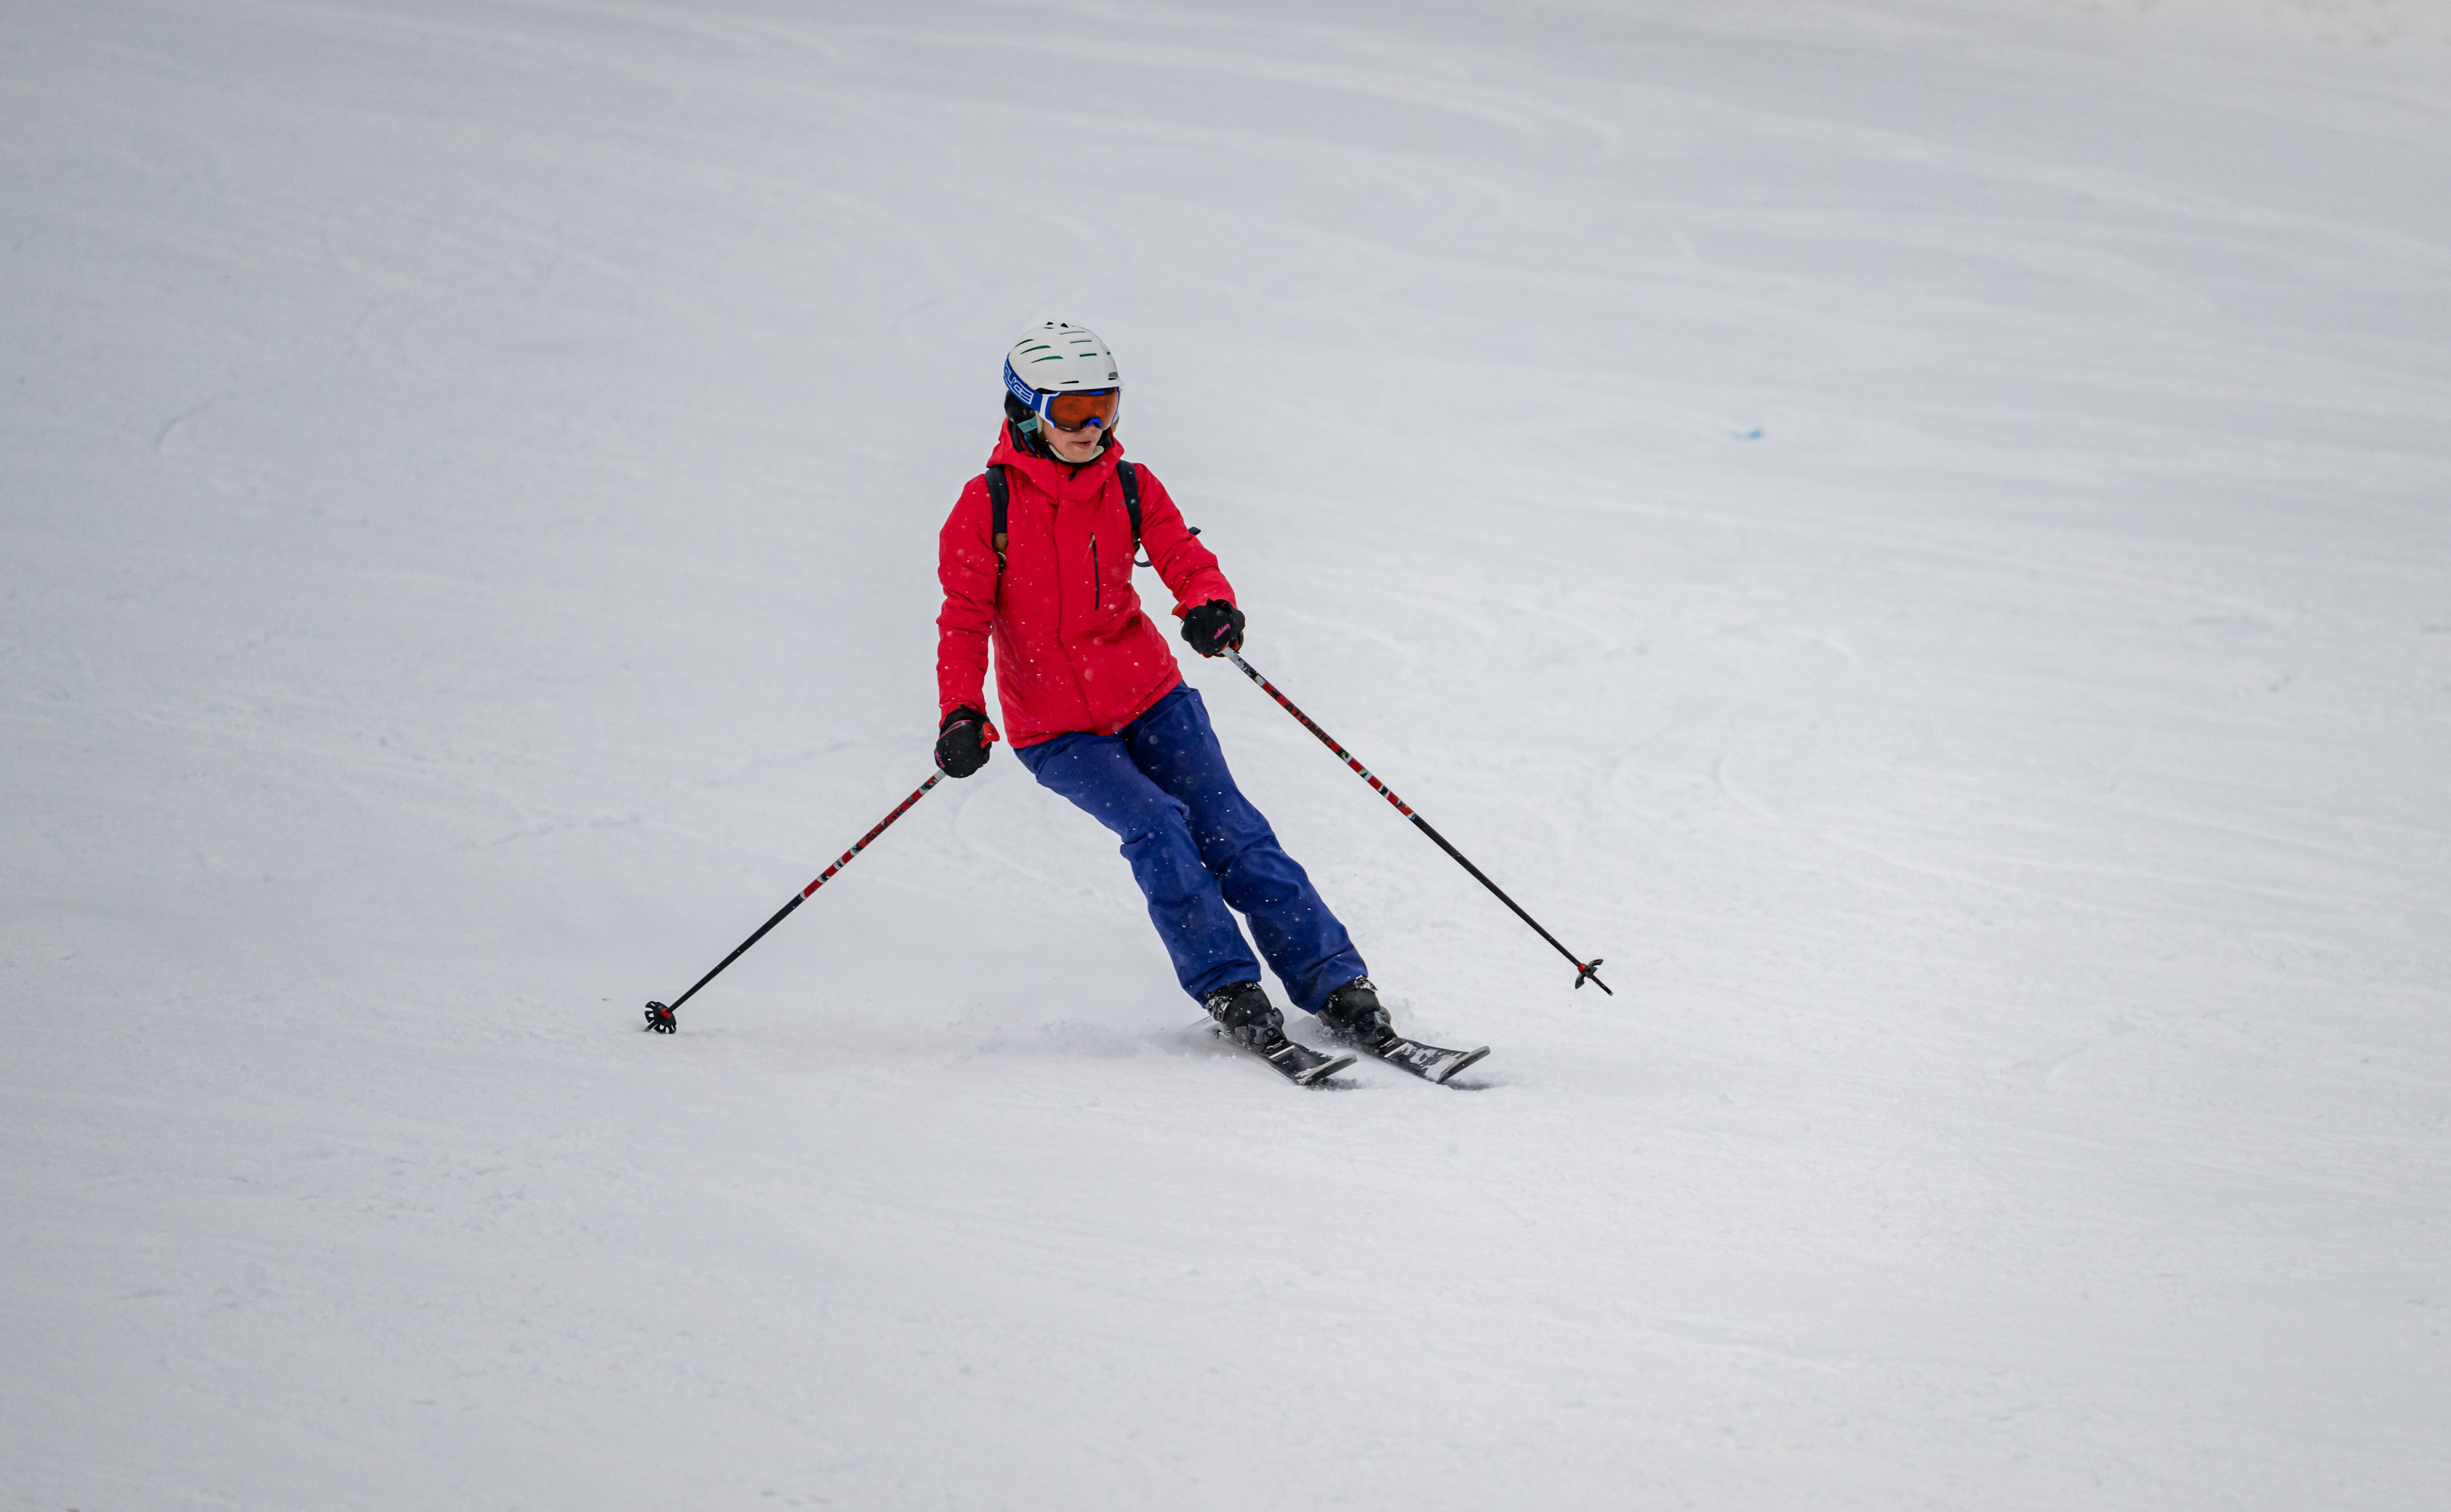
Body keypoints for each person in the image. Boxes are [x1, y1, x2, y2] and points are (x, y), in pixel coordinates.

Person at [933, 322, 1391, 1052]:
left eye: (1104, 406)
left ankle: (1335, 983)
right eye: (1071, 410)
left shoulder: (1130, 484)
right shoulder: (985, 507)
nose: (1091, 426)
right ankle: (1230, 987)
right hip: (1058, 730)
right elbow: (963, 621)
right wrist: (961, 711)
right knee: (1158, 826)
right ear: (1026, 410)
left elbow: (1181, 554)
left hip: (1152, 697)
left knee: (1233, 829)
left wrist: (1209, 601)